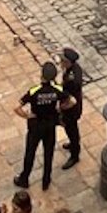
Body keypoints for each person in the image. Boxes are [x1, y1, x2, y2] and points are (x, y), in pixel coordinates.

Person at [14, 63, 62, 191]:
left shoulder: (34, 91)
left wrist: (27, 116)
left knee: (30, 152)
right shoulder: (57, 90)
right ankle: (46, 180)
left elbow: (17, 107)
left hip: (36, 126)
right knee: (48, 153)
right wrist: (58, 109)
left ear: (42, 75)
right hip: (50, 125)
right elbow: (72, 101)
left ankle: (24, 178)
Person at [58, 49, 85, 170]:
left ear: (68, 62)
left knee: (71, 129)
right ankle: (72, 144)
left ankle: (75, 155)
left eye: (63, 61)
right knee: (71, 129)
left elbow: (70, 97)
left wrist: (61, 107)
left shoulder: (71, 79)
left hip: (71, 108)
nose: (61, 63)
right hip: (73, 104)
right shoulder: (74, 69)